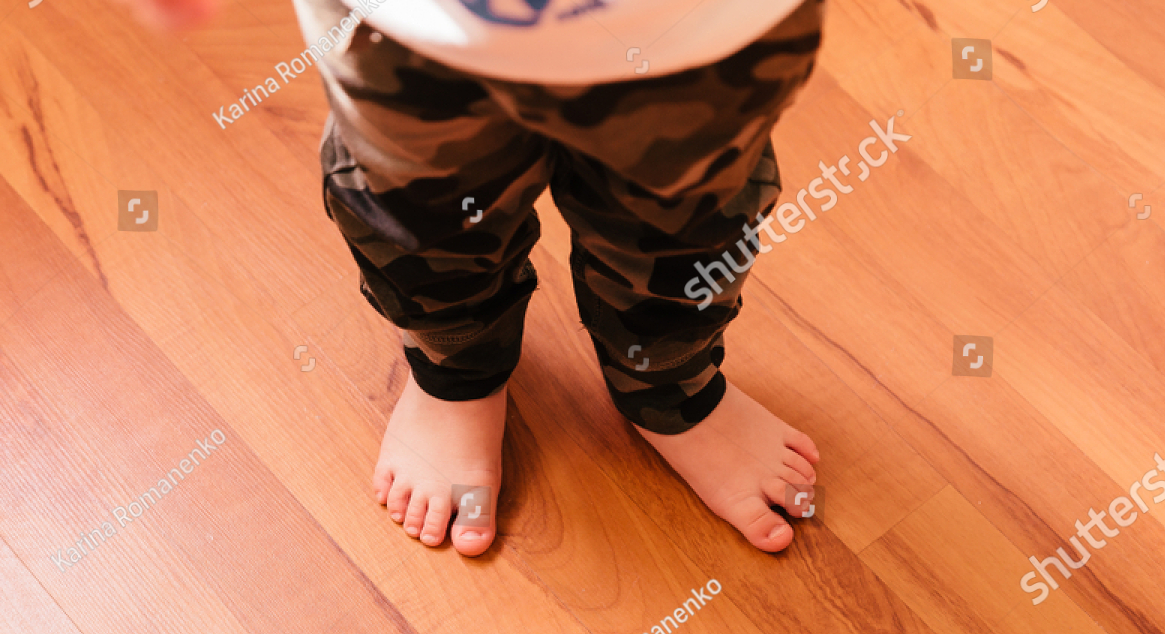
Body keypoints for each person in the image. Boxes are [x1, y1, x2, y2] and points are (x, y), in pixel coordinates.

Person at [119, 0, 826, 556]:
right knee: (419, 215)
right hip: (411, 30)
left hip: (704, 27)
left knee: (688, 220)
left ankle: (667, 380)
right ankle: (457, 368)